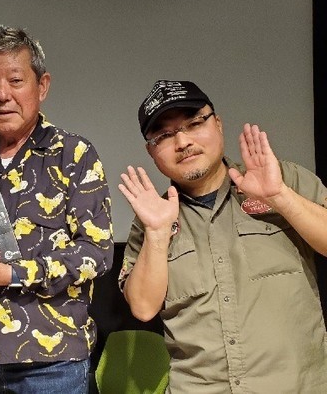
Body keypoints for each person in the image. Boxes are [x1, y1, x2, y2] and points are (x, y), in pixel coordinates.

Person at [0, 25, 114, 393]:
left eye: (16, 80)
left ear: (42, 86)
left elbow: (96, 253)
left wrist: (11, 274)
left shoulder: (73, 154)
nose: (3, 95)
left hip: (51, 363)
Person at [118, 80, 327, 392]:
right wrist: (158, 235)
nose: (182, 141)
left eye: (194, 123)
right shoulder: (153, 220)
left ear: (217, 123)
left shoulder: (283, 180)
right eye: (164, 135)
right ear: (151, 151)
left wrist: (280, 197)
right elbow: (143, 307)